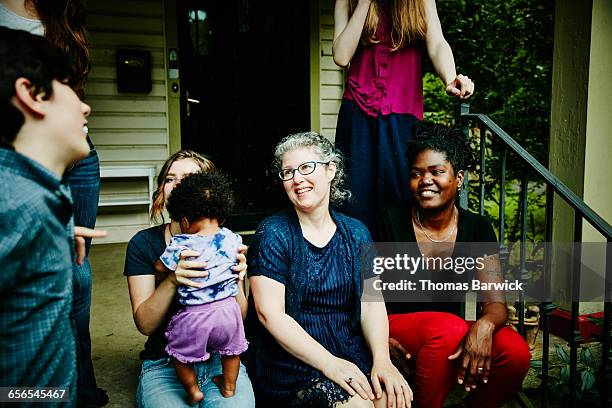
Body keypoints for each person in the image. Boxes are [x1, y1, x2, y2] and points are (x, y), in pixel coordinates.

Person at [245, 132, 412, 407]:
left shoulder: (358, 233)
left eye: (306, 167)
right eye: (288, 172)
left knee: (392, 401)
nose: (297, 179)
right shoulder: (272, 233)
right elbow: (269, 314)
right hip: (292, 359)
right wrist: (330, 364)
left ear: (331, 169)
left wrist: (382, 360)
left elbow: (371, 303)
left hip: (348, 348)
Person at [375, 123, 531, 407]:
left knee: (515, 352)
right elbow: (365, 295)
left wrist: (484, 326)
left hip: (449, 333)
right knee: (448, 328)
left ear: (458, 179)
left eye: (436, 172)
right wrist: (377, 341)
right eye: (416, 174)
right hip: (396, 329)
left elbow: (496, 303)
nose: (425, 180)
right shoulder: (388, 221)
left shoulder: (477, 228)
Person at [0, 2, 105, 406]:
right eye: (65, 86)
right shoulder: (16, 205)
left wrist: (56, 230)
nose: (85, 105)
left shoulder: (30, 193)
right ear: (31, 95)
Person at [124, 150, 255, 408]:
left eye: (189, 178)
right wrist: (173, 280)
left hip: (220, 358)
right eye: (170, 179)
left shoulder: (228, 242)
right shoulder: (143, 243)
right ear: (161, 190)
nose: (177, 185)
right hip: (165, 361)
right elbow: (146, 325)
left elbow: (238, 317)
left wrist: (237, 279)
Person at [332, 0, 474, 229]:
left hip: (403, 115)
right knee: (354, 199)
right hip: (357, 115)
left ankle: (398, 263)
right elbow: (341, 56)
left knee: (402, 199)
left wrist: (450, 78)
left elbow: (437, 42)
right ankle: (357, 262)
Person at [156, 171, 249, 405]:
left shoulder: (182, 243)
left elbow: (160, 266)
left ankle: (193, 389)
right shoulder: (233, 240)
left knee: (179, 355)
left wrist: (165, 269)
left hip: (196, 316)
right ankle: (228, 387)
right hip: (229, 312)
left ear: (184, 221)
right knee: (232, 352)